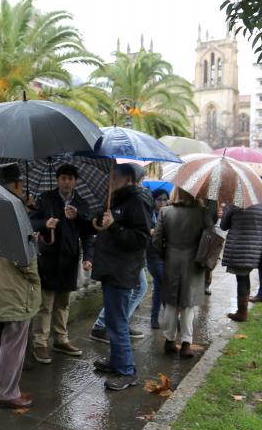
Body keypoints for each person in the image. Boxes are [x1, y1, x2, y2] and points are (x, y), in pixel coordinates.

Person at [0, 162, 41, 407]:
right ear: (16, 184)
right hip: (14, 290)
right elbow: (24, 259)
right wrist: (34, 273)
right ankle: (6, 393)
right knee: (13, 344)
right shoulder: (14, 211)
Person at [90, 163, 153, 391]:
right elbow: (106, 222)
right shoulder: (118, 199)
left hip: (121, 269)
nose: (110, 180)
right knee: (115, 321)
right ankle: (117, 362)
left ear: (127, 178)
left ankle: (127, 372)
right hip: (110, 267)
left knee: (117, 323)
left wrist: (114, 227)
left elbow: (141, 239)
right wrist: (99, 220)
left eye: (114, 177)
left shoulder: (138, 200)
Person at [30, 163, 94, 364]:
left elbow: (88, 233)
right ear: (58, 180)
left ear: (76, 181)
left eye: (70, 178)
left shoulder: (81, 203)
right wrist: (44, 224)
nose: (67, 182)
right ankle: (40, 343)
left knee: (63, 303)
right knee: (45, 303)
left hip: (69, 258)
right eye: (63, 178)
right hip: (48, 258)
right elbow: (31, 221)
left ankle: (61, 339)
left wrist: (88, 257)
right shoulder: (46, 199)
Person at [153, 189, 211, 357]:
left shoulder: (165, 211)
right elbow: (210, 238)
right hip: (194, 261)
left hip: (171, 259)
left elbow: (156, 240)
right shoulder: (203, 213)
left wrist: (166, 254)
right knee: (188, 303)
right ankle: (186, 343)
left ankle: (169, 341)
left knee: (171, 302)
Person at [219, 202, 262, 322]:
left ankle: (242, 312)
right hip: (259, 245)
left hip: (241, 246)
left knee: (242, 278)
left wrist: (225, 211)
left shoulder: (234, 204)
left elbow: (223, 226)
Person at [147, 188, 170, 329]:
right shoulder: (149, 214)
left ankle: (154, 318)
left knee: (158, 288)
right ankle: (171, 317)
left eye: (165, 199)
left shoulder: (169, 213)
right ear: (154, 200)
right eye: (159, 199)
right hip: (153, 255)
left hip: (166, 255)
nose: (162, 202)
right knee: (164, 285)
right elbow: (149, 232)